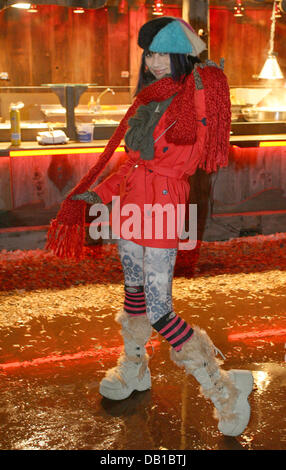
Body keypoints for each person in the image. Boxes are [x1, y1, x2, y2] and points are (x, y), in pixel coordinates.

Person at [46, 17, 253, 437]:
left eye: (163, 53)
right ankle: (135, 367)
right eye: (150, 54)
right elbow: (132, 163)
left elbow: (197, 139)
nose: (155, 62)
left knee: (161, 310)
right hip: (128, 208)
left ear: (180, 55)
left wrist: (199, 66)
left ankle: (224, 388)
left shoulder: (197, 91)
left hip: (162, 208)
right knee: (134, 292)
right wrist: (100, 194)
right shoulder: (149, 98)